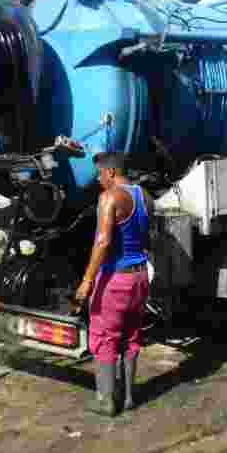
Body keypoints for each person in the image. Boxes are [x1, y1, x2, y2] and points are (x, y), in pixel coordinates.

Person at [73, 152, 152, 416]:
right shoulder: (145, 197)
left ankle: (106, 402)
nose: (97, 179)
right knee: (131, 337)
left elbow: (103, 242)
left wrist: (86, 281)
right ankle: (129, 397)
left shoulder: (110, 197)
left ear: (110, 172)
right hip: (140, 277)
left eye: (99, 174)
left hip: (115, 280)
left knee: (104, 338)